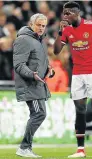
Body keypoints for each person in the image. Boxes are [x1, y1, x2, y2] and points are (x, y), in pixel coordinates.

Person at [54, 2, 92, 158]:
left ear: (77, 13)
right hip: (77, 74)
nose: (65, 16)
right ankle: (80, 150)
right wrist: (60, 32)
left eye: (68, 13)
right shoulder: (66, 30)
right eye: (64, 13)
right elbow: (56, 51)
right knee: (80, 111)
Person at [13, 13, 55, 158]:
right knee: (39, 114)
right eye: (39, 25)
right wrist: (33, 74)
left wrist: (50, 69)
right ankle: (24, 148)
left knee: (38, 114)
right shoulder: (24, 39)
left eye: (44, 25)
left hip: (37, 84)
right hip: (30, 84)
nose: (41, 28)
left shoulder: (38, 40)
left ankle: (26, 147)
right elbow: (18, 65)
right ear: (31, 24)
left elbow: (39, 61)